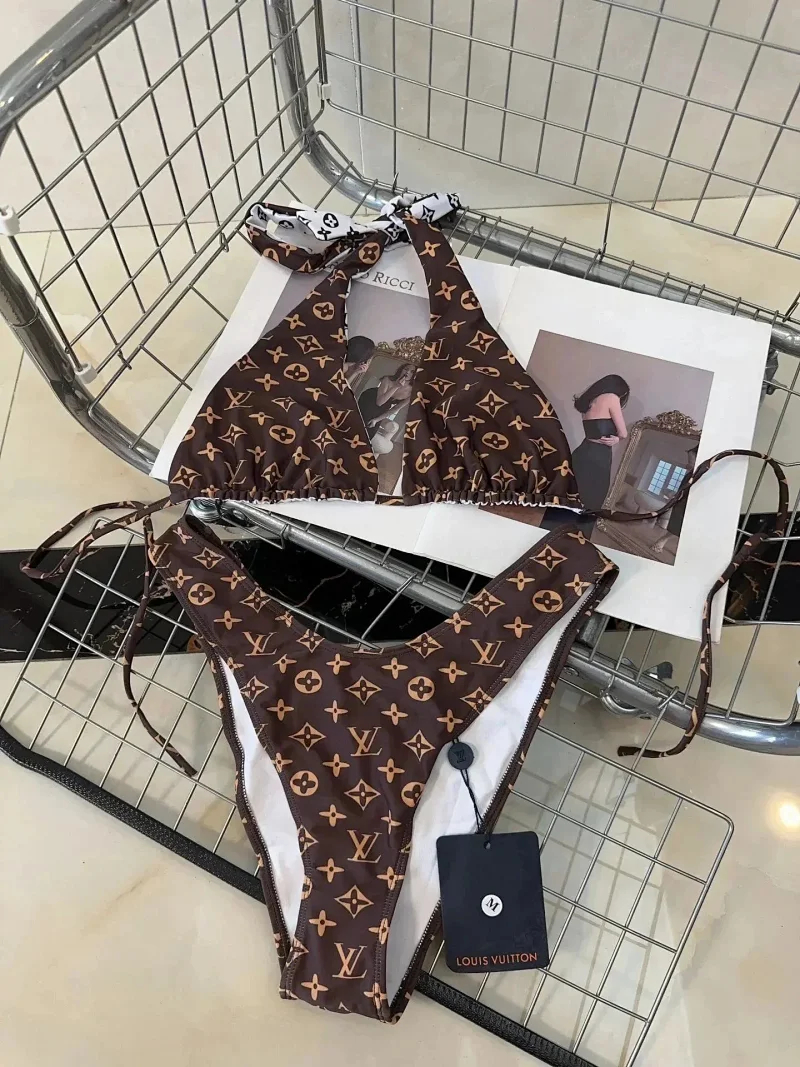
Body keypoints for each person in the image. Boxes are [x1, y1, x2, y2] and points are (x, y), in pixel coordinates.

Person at [570, 374, 629, 512]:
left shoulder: (588, 400)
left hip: (582, 451)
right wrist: (617, 439)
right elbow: (623, 433)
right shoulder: (612, 398)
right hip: (599, 455)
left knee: (573, 494)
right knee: (593, 500)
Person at [357, 362, 416, 426]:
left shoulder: (412, 392)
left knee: (372, 426)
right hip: (370, 399)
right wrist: (395, 386)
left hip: (384, 407)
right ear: (401, 370)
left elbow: (396, 408)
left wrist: (376, 420)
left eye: (412, 372)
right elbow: (379, 402)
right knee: (359, 421)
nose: (407, 372)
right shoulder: (387, 379)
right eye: (406, 369)